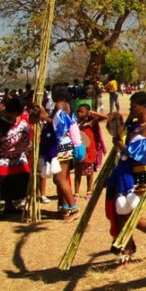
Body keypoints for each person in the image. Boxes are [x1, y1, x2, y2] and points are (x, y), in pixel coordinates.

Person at [105, 92, 146, 266]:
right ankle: (127, 253)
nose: (131, 109)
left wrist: (120, 145)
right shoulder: (134, 125)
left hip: (141, 174)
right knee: (122, 215)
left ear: (144, 107)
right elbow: (118, 132)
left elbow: (136, 154)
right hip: (125, 174)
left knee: (130, 215)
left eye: (134, 106)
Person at [37, 83, 85, 220]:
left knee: (60, 179)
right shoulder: (66, 104)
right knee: (59, 179)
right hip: (63, 145)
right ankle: (65, 207)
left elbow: (58, 126)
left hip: (62, 145)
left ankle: (74, 208)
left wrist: (43, 117)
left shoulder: (60, 105)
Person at [0, 96, 32, 215]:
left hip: (17, 154)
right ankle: (5, 204)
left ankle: (12, 204)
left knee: (22, 176)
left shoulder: (22, 117)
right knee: (2, 178)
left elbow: (33, 121)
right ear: (15, 112)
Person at [74, 104, 107, 199]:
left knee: (89, 173)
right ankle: (76, 192)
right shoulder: (76, 123)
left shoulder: (91, 122)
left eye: (82, 112)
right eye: (78, 111)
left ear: (87, 112)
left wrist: (93, 113)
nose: (79, 113)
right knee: (78, 173)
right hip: (79, 151)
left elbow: (105, 117)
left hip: (90, 151)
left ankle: (89, 190)